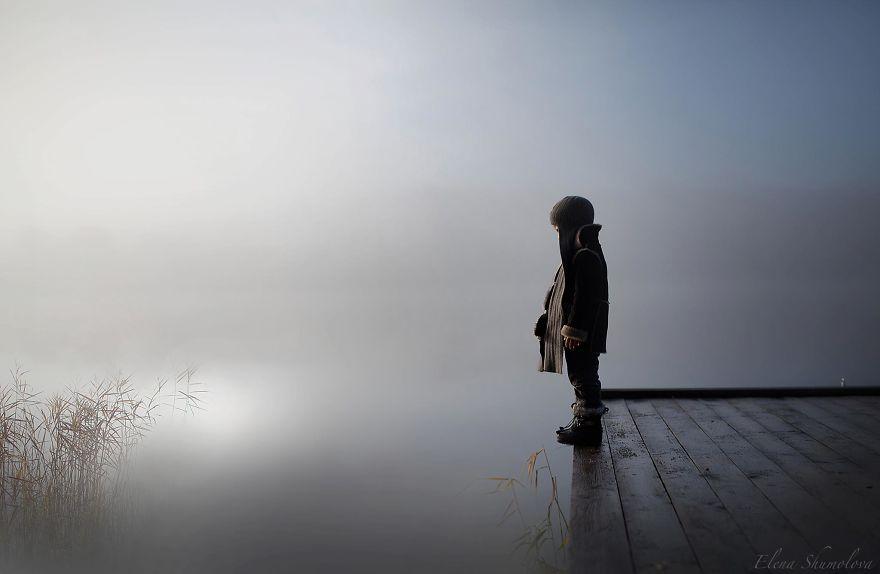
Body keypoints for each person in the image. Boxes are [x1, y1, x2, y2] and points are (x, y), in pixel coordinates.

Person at [534, 196, 610, 444]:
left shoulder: (585, 256)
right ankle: (583, 418)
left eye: (558, 230)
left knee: (583, 375)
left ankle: (588, 424)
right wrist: (550, 321)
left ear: (569, 228)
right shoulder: (582, 253)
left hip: (583, 331)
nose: (557, 237)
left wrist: (575, 330)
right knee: (581, 373)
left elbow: (584, 297)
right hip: (582, 330)